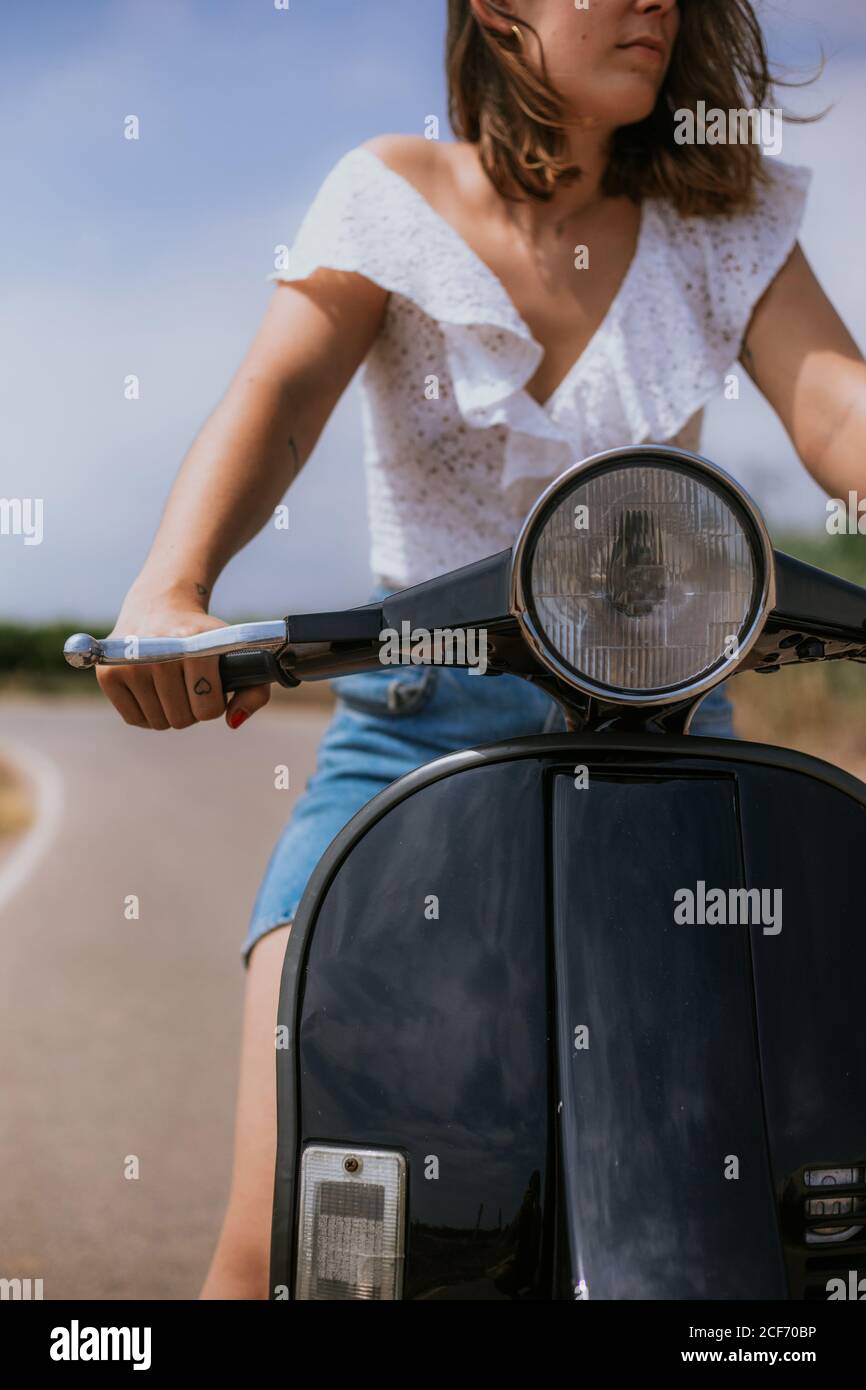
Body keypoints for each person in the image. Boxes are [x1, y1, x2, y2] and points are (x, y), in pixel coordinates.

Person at [95, 0, 866, 1299]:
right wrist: (172, 590)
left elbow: (836, 405)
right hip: (407, 739)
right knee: (286, 1222)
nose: (654, 4)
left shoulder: (722, 217)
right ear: (499, 9)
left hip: (671, 756)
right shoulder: (392, 191)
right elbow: (278, 394)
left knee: (772, 1182)